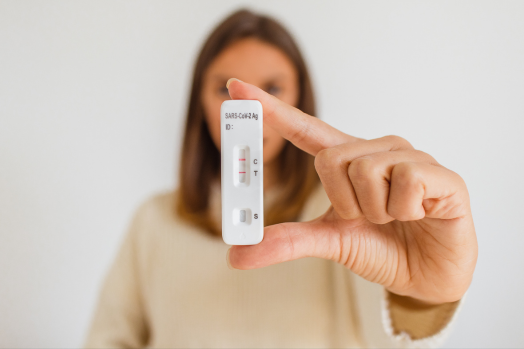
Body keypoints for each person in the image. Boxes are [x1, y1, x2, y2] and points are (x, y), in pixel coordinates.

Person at [84, 9, 477, 348]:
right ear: (198, 102)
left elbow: (388, 337)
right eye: (225, 89)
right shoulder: (154, 220)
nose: (247, 107)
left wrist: (423, 300)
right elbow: (108, 338)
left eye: (272, 88)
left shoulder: (348, 211)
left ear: (298, 97)